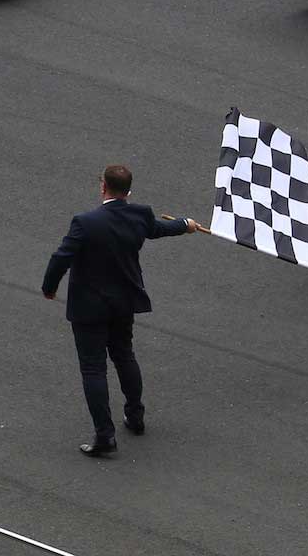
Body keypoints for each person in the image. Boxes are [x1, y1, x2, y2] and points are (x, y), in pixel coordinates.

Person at [41, 163, 208, 457]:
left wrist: (49, 287)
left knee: (93, 368)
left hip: (89, 307)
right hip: (123, 302)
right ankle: (135, 415)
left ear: (103, 186)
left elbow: (61, 258)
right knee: (124, 356)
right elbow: (159, 228)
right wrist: (186, 224)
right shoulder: (139, 215)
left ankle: (105, 436)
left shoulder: (85, 222)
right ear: (128, 191)